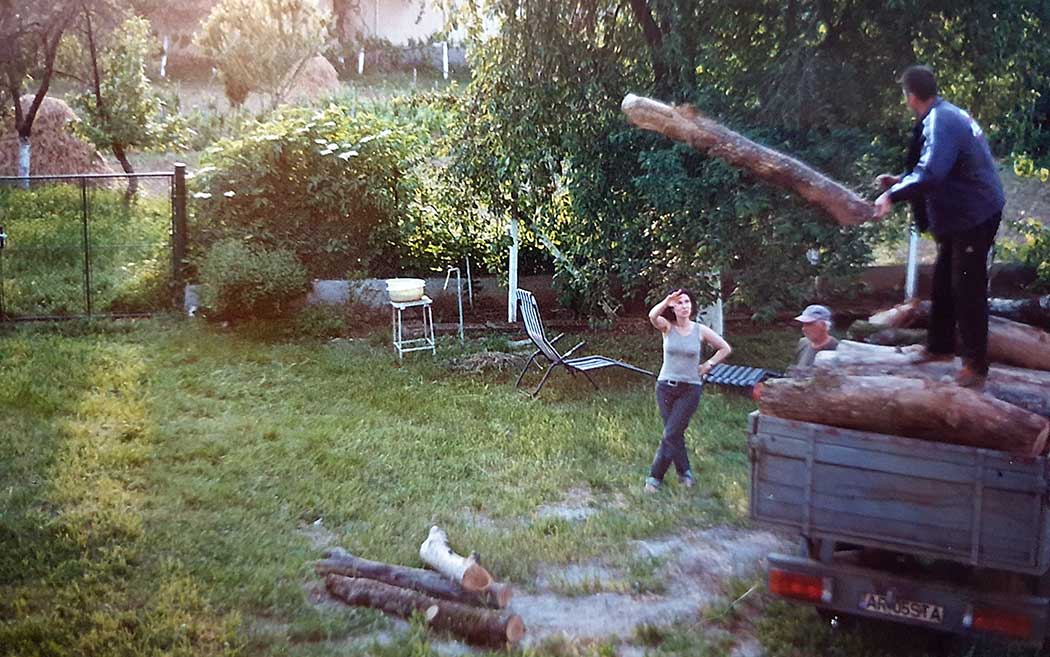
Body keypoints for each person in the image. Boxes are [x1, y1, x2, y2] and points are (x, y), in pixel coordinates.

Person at [873, 65, 1005, 388]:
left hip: (975, 215)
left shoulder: (940, 121)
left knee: (967, 287)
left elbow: (931, 173)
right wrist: (901, 181)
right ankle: (940, 347)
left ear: (910, 96)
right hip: (966, 215)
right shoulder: (943, 115)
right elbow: (936, 168)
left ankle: (976, 366)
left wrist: (891, 194)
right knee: (944, 279)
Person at [644, 288, 732, 493]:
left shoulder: (699, 330)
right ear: (673, 307)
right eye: (680, 302)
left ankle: (654, 478)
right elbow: (652, 315)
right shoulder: (667, 327)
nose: (684, 306)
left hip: (690, 389)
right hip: (665, 387)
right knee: (674, 433)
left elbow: (725, 348)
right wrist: (666, 300)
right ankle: (685, 474)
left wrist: (708, 364)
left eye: (687, 302)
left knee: (671, 433)